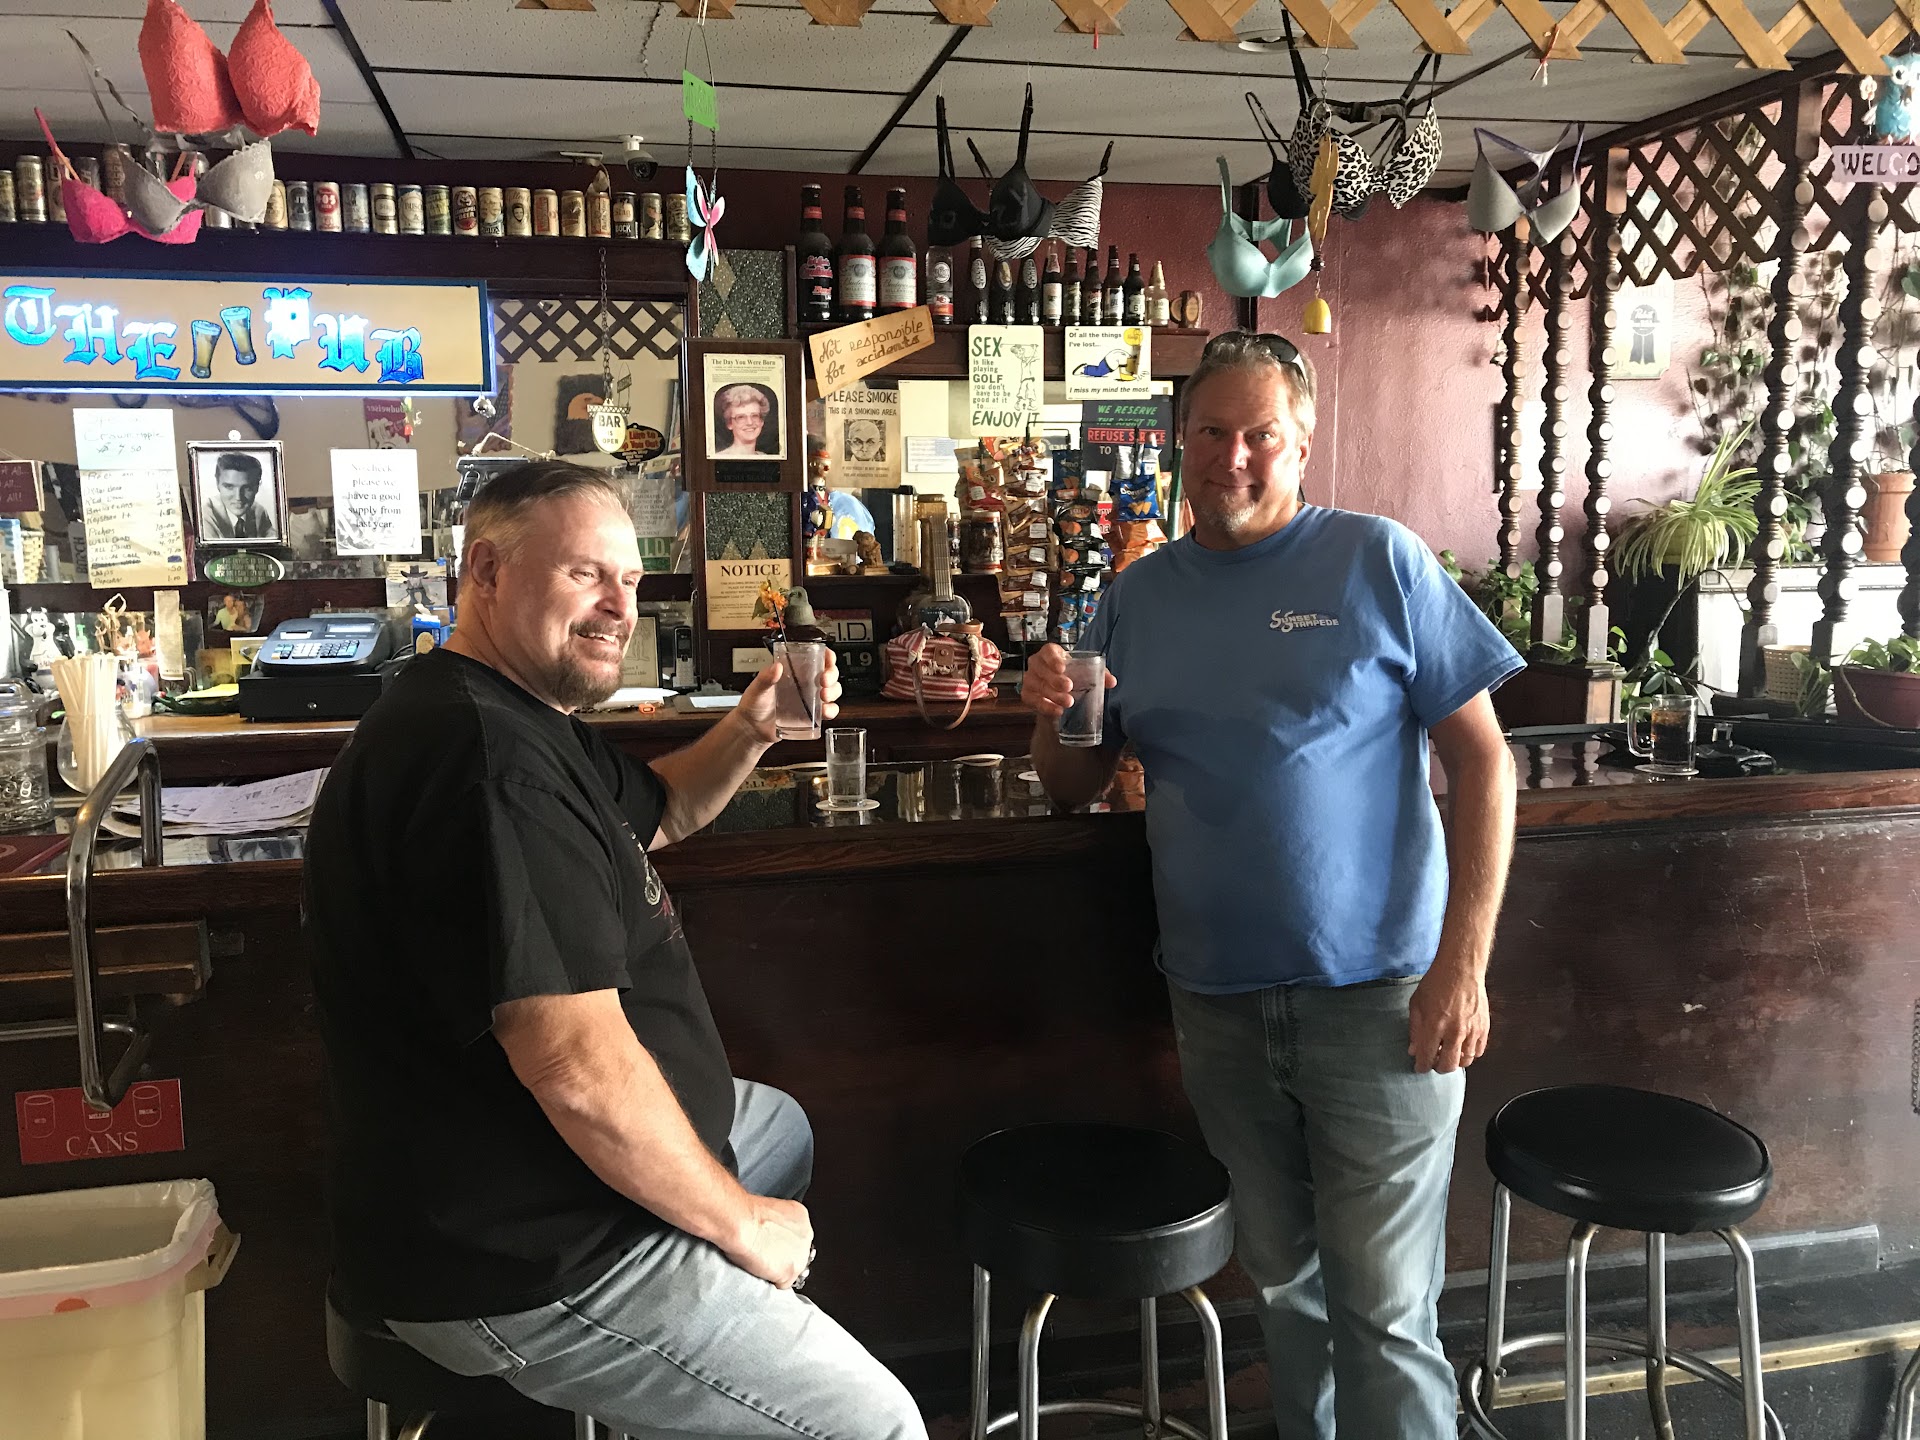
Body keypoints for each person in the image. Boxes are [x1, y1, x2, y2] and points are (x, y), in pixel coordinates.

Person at [305, 461, 926, 1439]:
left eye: (630, 581)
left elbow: (662, 808)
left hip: (533, 1178)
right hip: (533, 1249)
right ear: (487, 572)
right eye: (585, 574)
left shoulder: (511, 711)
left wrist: (754, 726)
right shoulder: (487, 763)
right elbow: (576, 1069)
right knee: (876, 1425)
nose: (618, 607)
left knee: (780, 1128)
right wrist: (741, 1225)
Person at [1021, 333, 1522, 1440]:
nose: (1234, 456)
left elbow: (1486, 763)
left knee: (1386, 1311)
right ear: (1180, 441)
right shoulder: (1136, 597)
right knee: (1287, 1293)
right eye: (1212, 432)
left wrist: (1464, 969)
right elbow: (1072, 783)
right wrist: (1051, 709)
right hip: (1217, 1005)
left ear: (1301, 444)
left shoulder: (1378, 560)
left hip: (1384, 1002)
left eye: (1261, 435)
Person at [201, 451, 275, 540]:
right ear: (217, 484)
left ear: (257, 487)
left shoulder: (259, 512)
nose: (238, 497)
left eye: (247, 488)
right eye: (229, 487)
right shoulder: (205, 513)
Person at [713, 384, 778, 459]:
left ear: (761, 421)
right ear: (729, 423)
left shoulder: (766, 457)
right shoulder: (720, 457)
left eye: (754, 416)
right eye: (741, 417)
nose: (750, 422)